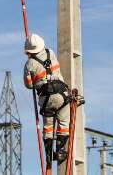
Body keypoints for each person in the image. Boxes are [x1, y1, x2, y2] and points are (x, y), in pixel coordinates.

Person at [23, 33, 71, 167]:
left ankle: (49, 155)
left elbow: (29, 85)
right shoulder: (51, 53)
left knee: (48, 127)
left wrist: (37, 79)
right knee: (63, 123)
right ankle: (60, 150)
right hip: (62, 95)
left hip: (46, 99)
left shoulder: (29, 64)